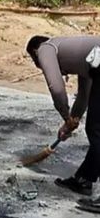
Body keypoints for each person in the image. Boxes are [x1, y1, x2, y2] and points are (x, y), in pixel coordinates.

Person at [26, 35, 100, 198]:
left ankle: (84, 180)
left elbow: (57, 88)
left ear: (34, 52)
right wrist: (70, 121)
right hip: (98, 68)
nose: (39, 66)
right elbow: (84, 95)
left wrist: (65, 115)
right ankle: (83, 180)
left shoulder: (45, 48)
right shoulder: (82, 55)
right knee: (95, 129)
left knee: (96, 131)